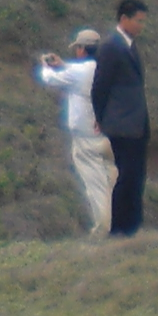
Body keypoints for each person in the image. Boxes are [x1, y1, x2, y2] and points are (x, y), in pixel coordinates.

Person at [36, 30, 115, 236]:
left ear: (81, 49)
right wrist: (63, 65)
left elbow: (50, 79)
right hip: (110, 135)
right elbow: (80, 72)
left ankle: (104, 229)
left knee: (95, 184)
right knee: (112, 181)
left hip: (86, 138)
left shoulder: (80, 72)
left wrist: (45, 66)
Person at [94, 0, 152, 237]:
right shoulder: (111, 46)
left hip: (136, 123)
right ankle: (120, 229)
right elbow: (100, 86)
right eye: (138, 21)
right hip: (121, 124)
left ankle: (133, 227)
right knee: (126, 176)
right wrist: (102, 118)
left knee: (136, 176)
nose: (141, 26)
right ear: (124, 19)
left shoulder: (129, 46)